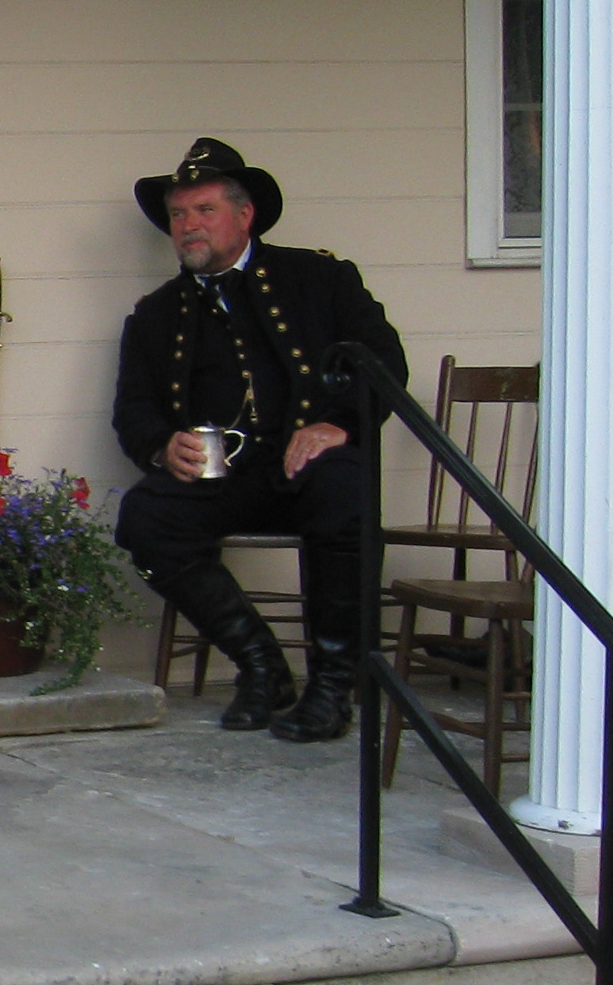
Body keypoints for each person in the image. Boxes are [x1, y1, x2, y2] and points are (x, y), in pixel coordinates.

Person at [112, 138, 407, 743]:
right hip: (223, 477)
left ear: (244, 215)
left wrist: (339, 425)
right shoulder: (156, 314)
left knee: (345, 490)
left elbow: (383, 364)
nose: (188, 225)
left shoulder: (320, 279)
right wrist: (164, 445)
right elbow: (133, 410)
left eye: (205, 210)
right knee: (145, 516)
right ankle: (262, 666)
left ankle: (332, 687)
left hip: (307, 466)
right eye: (178, 214)